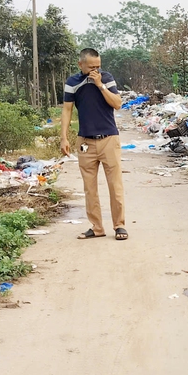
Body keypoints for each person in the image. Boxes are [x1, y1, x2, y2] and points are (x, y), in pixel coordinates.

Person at [60, 48, 127, 240]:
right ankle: (97, 227)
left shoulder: (106, 78)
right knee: (90, 188)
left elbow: (117, 103)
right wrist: (63, 137)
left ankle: (119, 226)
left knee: (115, 185)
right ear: (80, 64)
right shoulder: (72, 82)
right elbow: (67, 110)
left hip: (109, 139)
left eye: (98, 66)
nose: (95, 70)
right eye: (91, 67)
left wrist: (100, 85)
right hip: (85, 142)